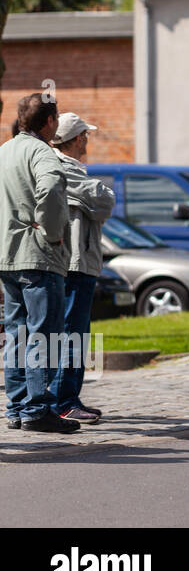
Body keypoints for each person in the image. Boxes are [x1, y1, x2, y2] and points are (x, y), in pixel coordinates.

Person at [1, 93, 75, 433]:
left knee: (16, 334)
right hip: (38, 256)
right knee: (43, 336)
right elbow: (50, 189)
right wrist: (51, 230)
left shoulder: (4, 151)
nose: (57, 125)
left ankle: (16, 407)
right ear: (48, 121)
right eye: (55, 119)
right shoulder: (43, 152)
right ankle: (36, 408)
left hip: (7, 255)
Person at [50, 113, 114, 424]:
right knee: (71, 333)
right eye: (85, 136)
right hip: (74, 261)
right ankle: (64, 400)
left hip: (75, 260)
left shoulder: (68, 170)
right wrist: (96, 194)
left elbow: (99, 204)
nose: (87, 140)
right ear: (77, 139)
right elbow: (105, 202)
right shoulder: (63, 169)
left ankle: (64, 396)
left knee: (72, 332)